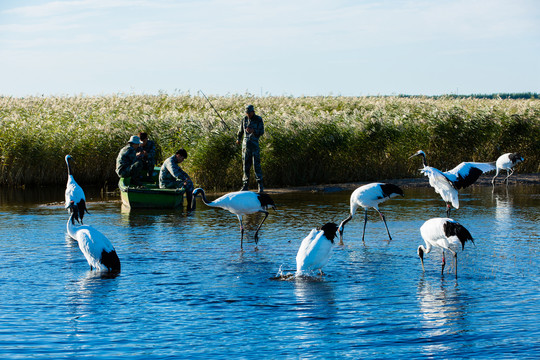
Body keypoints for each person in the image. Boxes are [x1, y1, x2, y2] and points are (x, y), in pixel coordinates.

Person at [236, 104, 265, 192]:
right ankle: (245, 186)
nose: (248, 114)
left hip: (254, 146)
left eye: (249, 113)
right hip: (245, 147)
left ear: (253, 112)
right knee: (245, 166)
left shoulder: (258, 119)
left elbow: (262, 131)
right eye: (247, 113)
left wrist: (253, 131)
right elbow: (240, 131)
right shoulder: (244, 119)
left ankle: (260, 186)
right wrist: (238, 138)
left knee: (256, 166)